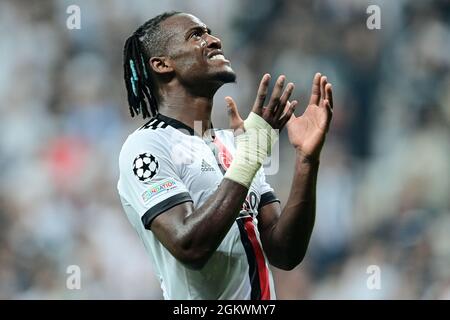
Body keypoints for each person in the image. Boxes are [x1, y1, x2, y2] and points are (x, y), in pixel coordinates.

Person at [117, 11, 333, 300]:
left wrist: (306, 161)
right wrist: (252, 153)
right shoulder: (147, 146)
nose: (214, 40)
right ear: (162, 64)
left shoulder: (235, 144)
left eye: (209, 32)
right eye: (196, 35)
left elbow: (285, 253)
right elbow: (189, 246)